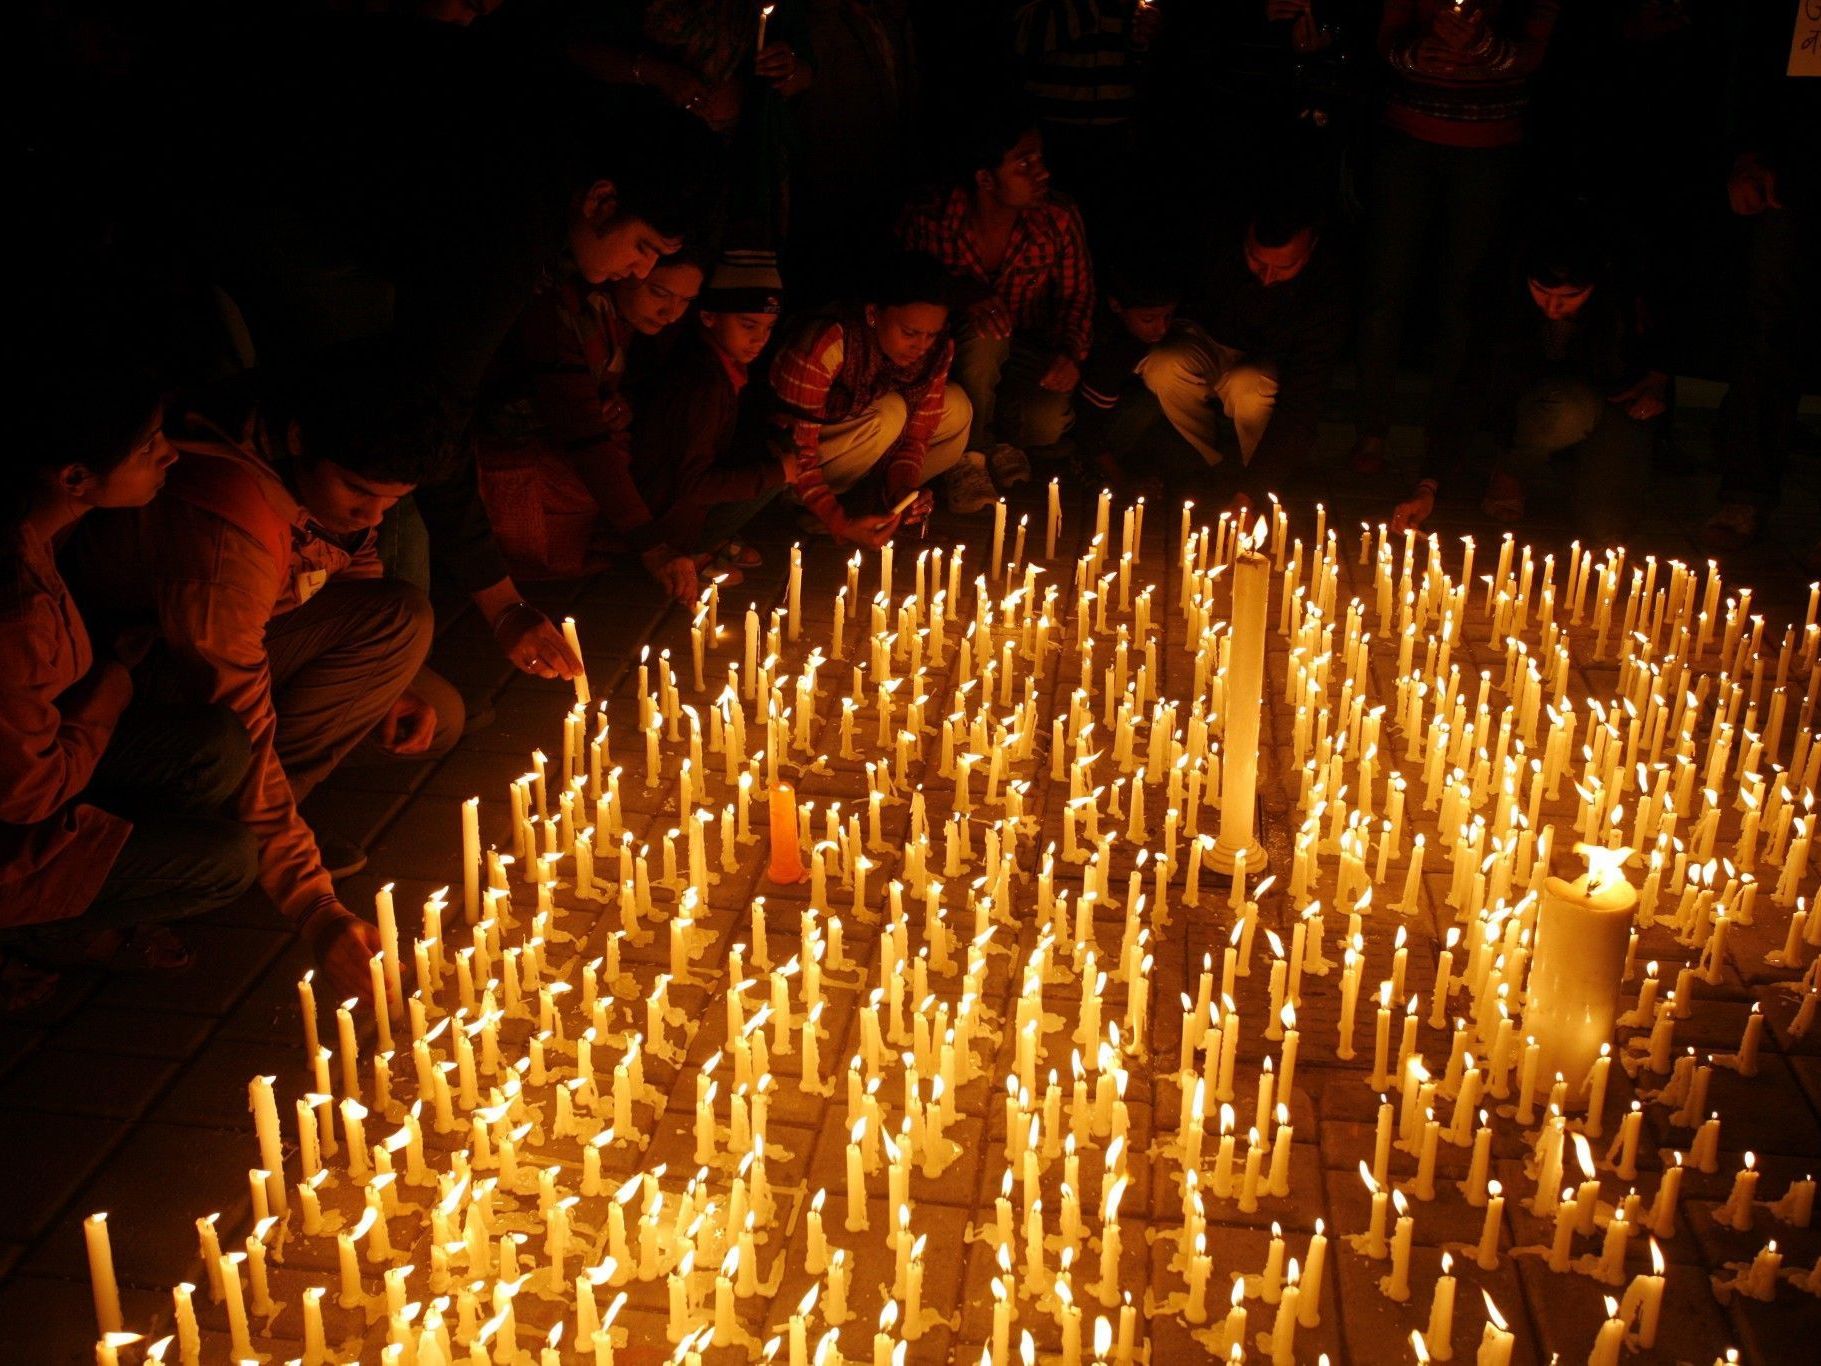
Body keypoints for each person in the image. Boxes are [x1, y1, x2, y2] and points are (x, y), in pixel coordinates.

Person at [67, 344, 465, 1001]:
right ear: (303, 439)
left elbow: (350, 558)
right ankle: (249, 844)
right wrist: (315, 905)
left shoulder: (294, 448)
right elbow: (238, 708)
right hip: (142, 681)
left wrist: (386, 678)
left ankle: (268, 831)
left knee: (427, 688)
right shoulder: (225, 524)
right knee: (236, 757)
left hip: (250, 631)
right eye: (361, 492)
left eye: (393, 500)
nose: (372, 514)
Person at [0, 340, 258, 1011]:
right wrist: (112, 685)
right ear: (75, 476)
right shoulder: (14, 607)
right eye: (148, 446)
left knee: (217, 744)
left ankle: (103, 883)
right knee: (226, 862)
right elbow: (28, 796)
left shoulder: (40, 531)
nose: (169, 453)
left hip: (47, 756)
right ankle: (39, 925)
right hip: (16, 827)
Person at [1349, 0, 1559, 476]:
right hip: (1408, 136)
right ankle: (1372, 430)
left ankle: (1441, 444)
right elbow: (1387, 38)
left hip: (1489, 145)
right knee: (1384, 290)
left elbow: (1537, 52)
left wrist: (1484, 48)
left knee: (1463, 298)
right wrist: (1414, 56)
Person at [1387, 217, 1659, 542]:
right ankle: (1513, 469)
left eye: (1570, 296)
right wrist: (1428, 486)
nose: (1553, 306)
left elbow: (1664, 353)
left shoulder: (1624, 307)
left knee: (1608, 529)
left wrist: (1656, 383)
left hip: (1617, 406)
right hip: (1550, 408)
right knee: (1565, 410)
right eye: (1541, 291)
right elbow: (1468, 390)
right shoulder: (1504, 308)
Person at [477, 250, 710, 583]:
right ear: (627, 271)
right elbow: (582, 431)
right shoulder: (566, 315)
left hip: (567, 440)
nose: (671, 313)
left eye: (686, 301)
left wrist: (619, 405)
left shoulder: (621, 324)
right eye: (659, 293)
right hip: (508, 446)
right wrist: (650, 544)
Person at [898, 103, 1094, 485]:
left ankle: (990, 433)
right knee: (988, 337)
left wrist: (1071, 353)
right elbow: (900, 287)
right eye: (1024, 165)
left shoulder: (1057, 218)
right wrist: (959, 294)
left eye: (1040, 159)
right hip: (949, 357)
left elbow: (1079, 296)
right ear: (985, 180)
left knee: (1048, 423)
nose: (1042, 173)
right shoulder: (931, 218)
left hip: (1024, 353)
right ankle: (972, 455)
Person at [1132, 194, 1346, 514]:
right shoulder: (1217, 242)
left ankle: (1257, 482)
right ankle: (1210, 469)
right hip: (1205, 339)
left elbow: (1303, 400)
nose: (1267, 277)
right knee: (1164, 366)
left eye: (1284, 267)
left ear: (1310, 248)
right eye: (1258, 262)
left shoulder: (1326, 292)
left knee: (1250, 388)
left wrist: (1255, 491)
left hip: (1266, 363)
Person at [1699, 0, 1820, 555]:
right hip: (1787, 175)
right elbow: (1758, 59)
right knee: (1768, 332)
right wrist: (1747, 154)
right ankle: (1746, 489)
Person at [769, 252, 992, 548]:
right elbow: (798, 451)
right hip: (790, 461)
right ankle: (821, 509)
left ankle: (872, 504)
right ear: (874, 313)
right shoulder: (829, 342)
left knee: (956, 407)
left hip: (866, 443)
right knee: (891, 413)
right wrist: (838, 523)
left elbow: (916, 439)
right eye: (910, 332)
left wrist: (903, 490)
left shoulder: (936, 349)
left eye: (931, 335)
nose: (921, 346)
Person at [626, 249, 800, 601]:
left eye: (767, 328)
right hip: (664, 513)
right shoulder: (701, 383)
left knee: (778, 451)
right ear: (708, 316)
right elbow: (692, 484)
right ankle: (693, 548)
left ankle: (712, 537)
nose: (759, 339)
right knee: (779, 469)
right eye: (748, 325)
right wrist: (777, 474)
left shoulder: (724, 367)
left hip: (681, 498)